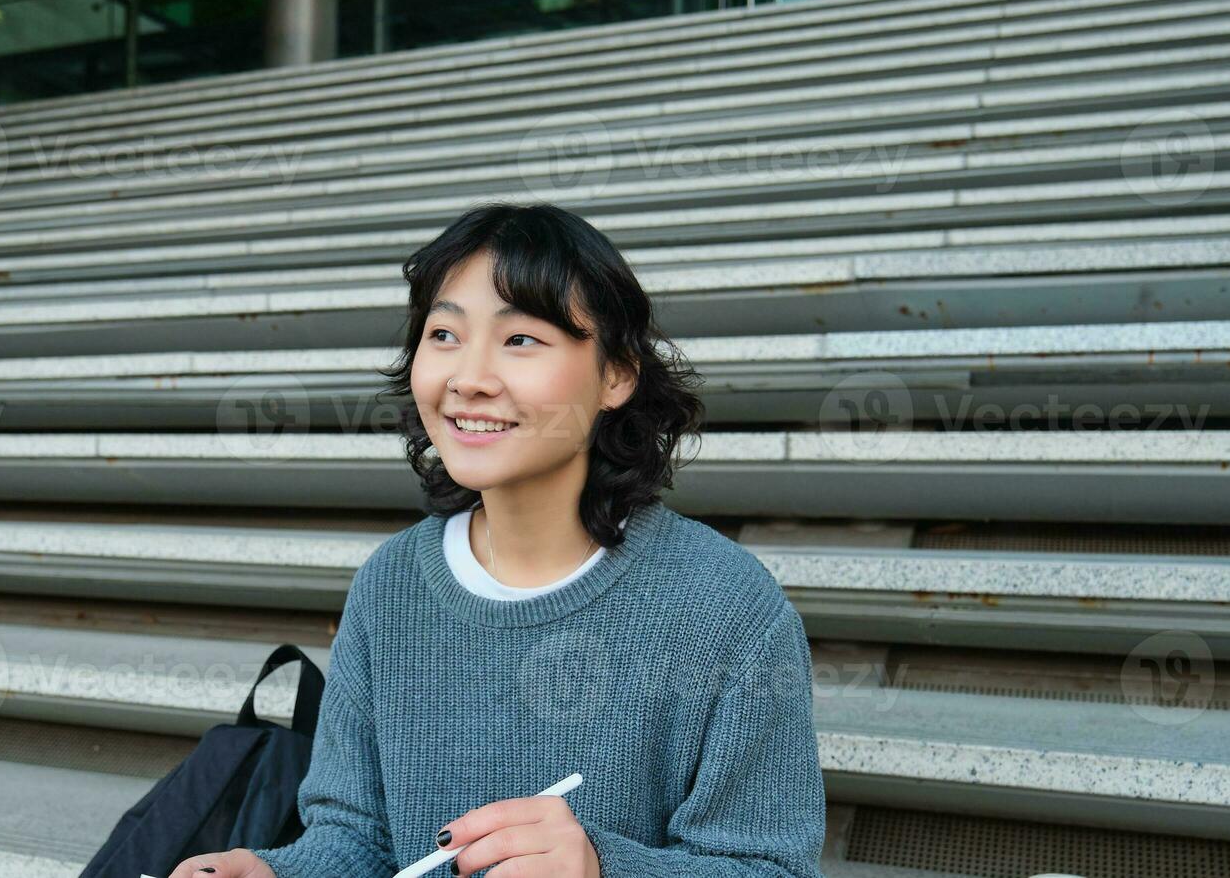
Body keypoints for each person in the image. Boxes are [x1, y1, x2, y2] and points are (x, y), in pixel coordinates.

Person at [167, 202, 826, 878]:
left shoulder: (726, 606)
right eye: (444, 334)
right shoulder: (390, 584)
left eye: (520, 340)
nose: (470, 378)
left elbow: (769, 868)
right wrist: (274, 873)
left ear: (616, 376)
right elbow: (354, 840)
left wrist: (600, 868)